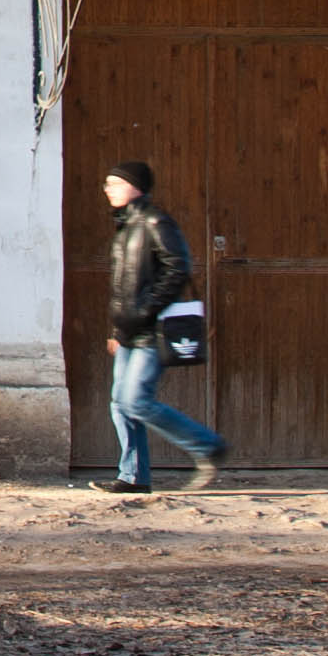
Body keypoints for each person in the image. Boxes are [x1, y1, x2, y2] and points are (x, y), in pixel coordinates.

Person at [96, 160, 225, 494]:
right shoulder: (126, 226)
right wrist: (117, 330)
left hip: (152, 331)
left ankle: (206, 446)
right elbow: (125, 286)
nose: (108, 189)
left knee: (135, 400)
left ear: (134, 186)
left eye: (115, 183)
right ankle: (133, 477)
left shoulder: (155, 221)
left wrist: (145, 309)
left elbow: (177, 268)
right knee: (119, 403)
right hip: (130, 332)